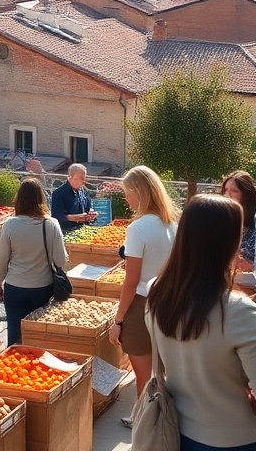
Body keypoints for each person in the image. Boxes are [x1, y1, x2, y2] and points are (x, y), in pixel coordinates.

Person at [146, 195, 256, 451]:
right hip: (236, 439)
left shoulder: (156, 292)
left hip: (177, 432)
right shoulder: (239, 310)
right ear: (228, 244)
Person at [108, 165, 180, 426]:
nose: (126, 199)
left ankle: (144, 424)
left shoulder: (138, 229)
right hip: (170, 301)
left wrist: (117, 321)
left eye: (127, 192)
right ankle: (159, 419)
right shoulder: (173, 222)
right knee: (164, 371)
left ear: (138, 192)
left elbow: (131, 281)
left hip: (142, 304)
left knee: (144, 374)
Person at [0, 178, 68, 345]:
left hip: (15, 287)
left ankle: (15, 366)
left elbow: (2, 260)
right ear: (41, 198)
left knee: (15, 335)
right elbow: (61, 260)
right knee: (38, 336)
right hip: (42, 287)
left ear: (18, 199)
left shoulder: (10, 224)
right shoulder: (51, 224)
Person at [221, 170, 256, 282]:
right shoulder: (220, 224)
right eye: (225, 190)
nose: (227, 195)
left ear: (246, 196)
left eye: (234, 191)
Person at [49, 164, 97, 234]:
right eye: (81, 178)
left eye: (84, 178)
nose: (84, 181)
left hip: (84, 231)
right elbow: (55, 217)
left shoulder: (84, 191)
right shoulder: (58, 194)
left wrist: (91, 215)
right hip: (66, 233)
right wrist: (72, 218)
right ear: (71, 178)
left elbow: (89, 209)